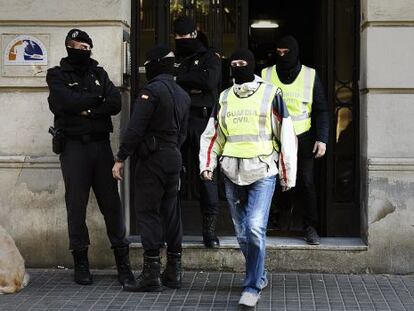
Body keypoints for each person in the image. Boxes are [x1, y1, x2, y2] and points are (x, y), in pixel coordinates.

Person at [199, 49, 297, 307]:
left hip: (263, 171)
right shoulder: (224, 97)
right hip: (232, 172)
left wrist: (288, 174)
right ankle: (260, 274)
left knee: (254, 228)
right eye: (233, 64)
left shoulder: (271, 94)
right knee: (243, 235)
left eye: (242, 64)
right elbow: (213, 134)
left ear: (252, 65)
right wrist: (207, 165)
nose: (237, 68)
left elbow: (286, 135)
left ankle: (252, 286)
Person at [46, 29, 135, 288]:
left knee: (112, 206)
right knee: (76, 207)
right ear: (68, 47)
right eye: (77, 46)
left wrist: (83, 109)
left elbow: (115, 103)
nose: (82, 51)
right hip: (74, 148)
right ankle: (81, 264)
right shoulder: (57, 75)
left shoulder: (100, 73)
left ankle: (123, 265)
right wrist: (95, 104)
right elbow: (62, 102)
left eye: (86, 47)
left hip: (101, 148)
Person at [112, 46, 191, 292]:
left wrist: (121, 157)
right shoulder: (182, 94)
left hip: (152, 159)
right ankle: (174, 272)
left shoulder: (151, 91)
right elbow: (183, 133)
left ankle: (151, 274)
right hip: (173, 157)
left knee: (148, 212)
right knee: (171, 212)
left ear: (154, 65)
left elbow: (135, 128)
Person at [262, 35, 329, 245]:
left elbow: (321, 109)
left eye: (286, 53)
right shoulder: (267, 73)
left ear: (295, 52)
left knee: (306, 183)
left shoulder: (310, 75)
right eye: (279, 52)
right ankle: (270, 221)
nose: (282, 56)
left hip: (303, 137)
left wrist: (322, 138)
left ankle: (310, 227)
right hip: (274, 137)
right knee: (271, 181)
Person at [173, 16, 222, 248]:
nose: (182, 40)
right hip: (178, 121)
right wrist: (192, 82)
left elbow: (209, 82)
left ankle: (209, 233)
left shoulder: (210, 56)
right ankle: (172, 230)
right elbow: (166, 82)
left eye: (186, 36)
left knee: (206, 176)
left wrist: (181, 79)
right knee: (174, 175)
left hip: (203, 123)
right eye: (178, 37)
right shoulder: (172, 59)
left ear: (195, 34)